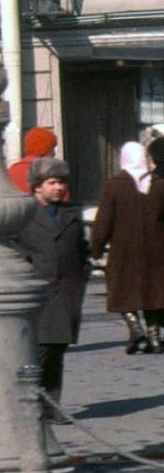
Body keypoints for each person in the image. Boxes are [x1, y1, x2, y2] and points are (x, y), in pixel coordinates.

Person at [15, 157, 89, 424]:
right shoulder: (23, 215)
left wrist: (82, 276)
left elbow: (82, 251)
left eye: (61, 182)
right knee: (40, 350)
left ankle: (53, 406)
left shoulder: (71, 213)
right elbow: (15, 249)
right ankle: (33, 403)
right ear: (37, 186)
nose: (58, 188)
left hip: (67, 290)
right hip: (38, 291)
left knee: (57, 349)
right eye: (52, 183)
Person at [90, 142, 164, 354]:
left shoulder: (115, 185)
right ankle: (154, 336)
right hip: (156, 251)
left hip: (124, 251)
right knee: (153, 293)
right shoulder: (159, 185)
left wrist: (96, 249)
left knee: (123, 291)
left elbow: (103, 221)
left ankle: (134, 327)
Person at [8, 127, 58, 196]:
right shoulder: (51, 172)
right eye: (52, 148)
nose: (54, 153)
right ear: (47, 150)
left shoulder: (12, 171)